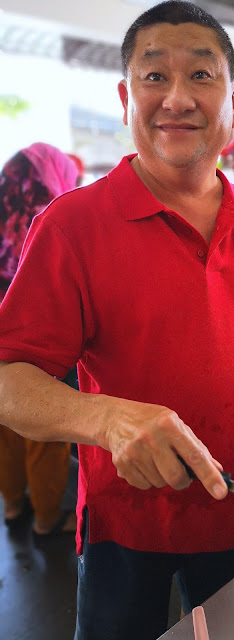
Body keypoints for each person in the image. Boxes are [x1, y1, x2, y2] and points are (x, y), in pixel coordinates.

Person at [0, 3, 234, 639]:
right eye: (154, 76)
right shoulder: (70, 226)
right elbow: (10, 381)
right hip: (123, 522)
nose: (177, 99)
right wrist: (107, 418)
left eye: (201, 76)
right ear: (125, 95)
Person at [0, 143, 79, 536]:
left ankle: (14, 505)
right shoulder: (52, 217)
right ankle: (48, 517)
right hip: (37, 334)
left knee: (5, 424)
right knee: (47, 426)